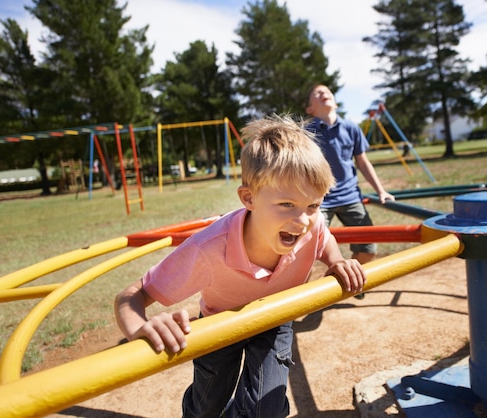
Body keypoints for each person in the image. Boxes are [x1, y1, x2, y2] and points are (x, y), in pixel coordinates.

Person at [114, 114, 367, 418]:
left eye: (312, 205)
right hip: (220, 323)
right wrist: (138, 328)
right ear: (249, 198)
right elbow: (132, 295)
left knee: (267, 408)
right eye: (287, 204)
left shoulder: (311, 224)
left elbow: (322, 235)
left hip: (276, 316)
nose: (303, 221)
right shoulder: (208, 248)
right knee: (207, 406)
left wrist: (336, 261)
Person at [305, 84, 395, 297]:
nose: (323, 93)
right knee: (306, 251)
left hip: (349, 196)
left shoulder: (351, 128)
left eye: (327, 91)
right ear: (310, 109)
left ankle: (344, 280)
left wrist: (381, 190)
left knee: (368, 250)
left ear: (335, 102)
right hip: (320, 200)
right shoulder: (306, 132)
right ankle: (297, 299)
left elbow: (363, 163)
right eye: (317, 94)